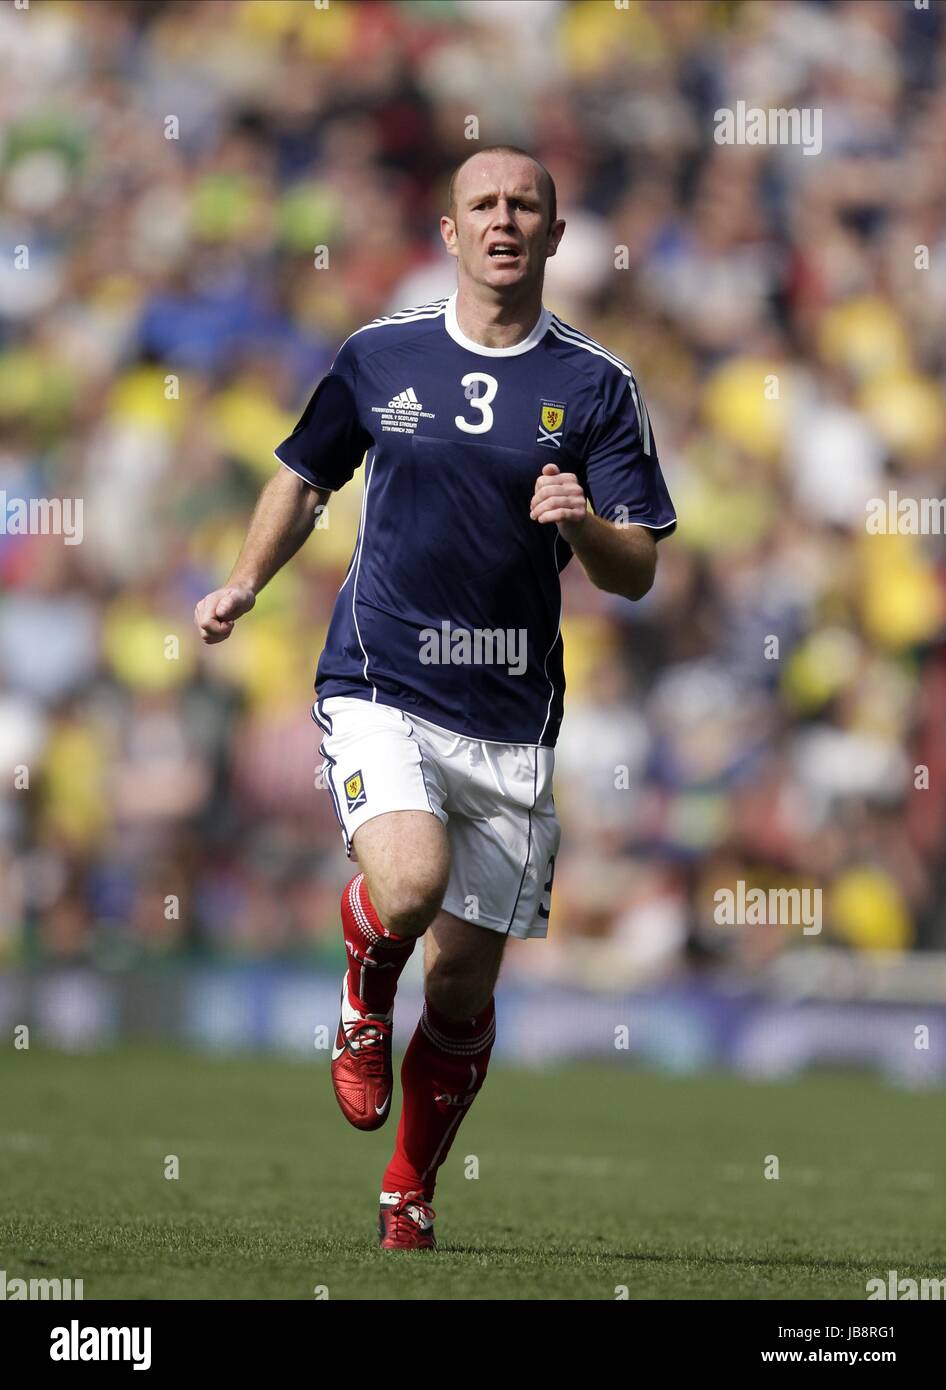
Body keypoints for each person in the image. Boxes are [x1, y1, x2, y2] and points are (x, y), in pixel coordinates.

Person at [195, 146, 676, 1250]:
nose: (503, 221)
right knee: (405, 886)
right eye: (482, 205)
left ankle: (408, 1188)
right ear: (450, 233)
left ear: (555, 237)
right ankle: (364, 991)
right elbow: (304, 474)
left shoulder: (598, 387)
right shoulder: (379, 356)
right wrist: (241, 583)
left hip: (510, 716)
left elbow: (637, 568)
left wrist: (583, 524)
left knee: (461, 988)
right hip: (380, 678)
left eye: (525, 206)